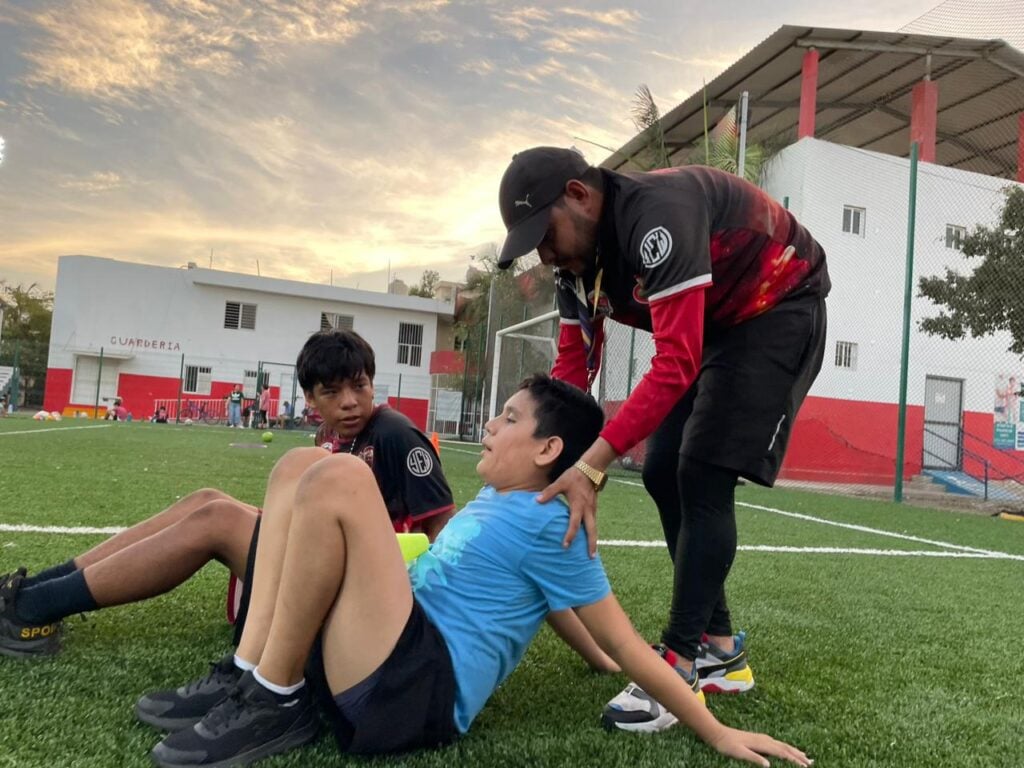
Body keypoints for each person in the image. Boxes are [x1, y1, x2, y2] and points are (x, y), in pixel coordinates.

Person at [146, 374, 812, 768]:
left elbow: (625, 642)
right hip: (381, 653)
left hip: (410, 694)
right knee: (299, 466)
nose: (490, 426)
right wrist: (596, 663)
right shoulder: (497, 499)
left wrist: (715, 731)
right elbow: (549, 604)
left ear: (549, 449)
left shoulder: (557, 522)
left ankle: (275, 700)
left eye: (510, 419)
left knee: (343, 475)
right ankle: (254, 673)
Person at [496, 146, 830, 731]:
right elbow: (573, 376)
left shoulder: (657, 216)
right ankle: (721, 651)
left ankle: (675, 669)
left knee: (700, 473)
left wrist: (592, 467)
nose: (544, 253)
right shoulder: (574, 271)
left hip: (778, 306)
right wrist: (542, 464)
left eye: (543, 234)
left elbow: (675, 362)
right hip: (718, 328)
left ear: (578, 195)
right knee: (660, 471)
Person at [0, 330, 457, 660]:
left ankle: (32, 609)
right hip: (316, 561)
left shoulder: (394, 432)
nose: (350, 402)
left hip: (358, 584)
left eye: (359, 386)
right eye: (332, 392)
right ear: (310, 399)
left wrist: (411, 616)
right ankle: (34, 589)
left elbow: (442, 525)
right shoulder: (325, 438)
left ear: (373, 384)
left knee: (216, 520)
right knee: (205, 500)